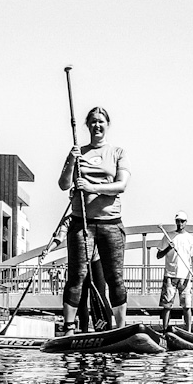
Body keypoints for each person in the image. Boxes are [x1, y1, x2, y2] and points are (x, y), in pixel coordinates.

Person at [57, 106, 131, 332]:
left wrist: (91, 187)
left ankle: (120, 328)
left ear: (107, 125)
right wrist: (71, 160)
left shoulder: (118, 152)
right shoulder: (79, 153)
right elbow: (63, 185)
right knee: (77, 276)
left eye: (101, 121)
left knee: (115, 279)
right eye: (93, 122)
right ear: (87, 125)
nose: (97, 125)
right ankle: (69, 327)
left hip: (111, 224)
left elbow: (122, 185)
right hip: (83, 224)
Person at [156, 213, 193, 334]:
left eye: (182, 221)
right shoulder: (168, 236)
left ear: (186, 222)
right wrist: (168, 248)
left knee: (187, 306)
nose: (180, 223)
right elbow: (158, 255)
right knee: (167, 305)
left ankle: (188, 332)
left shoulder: (190, 238)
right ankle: (164, 331)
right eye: (178, 221)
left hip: (185, 276)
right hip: (170, 276)